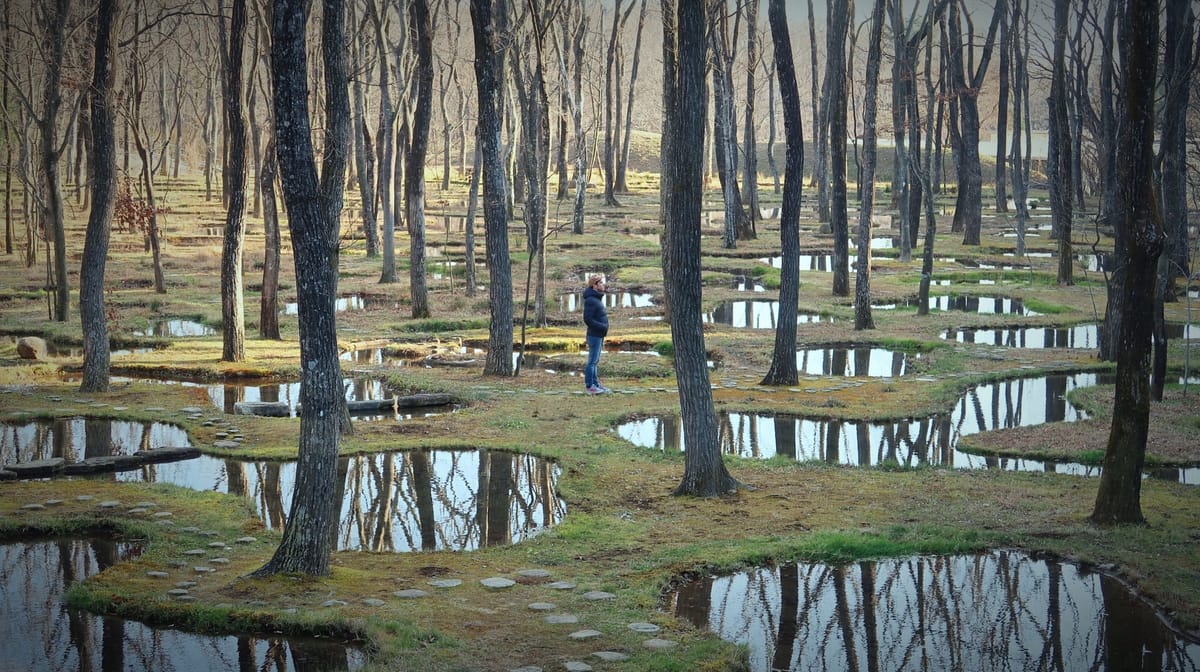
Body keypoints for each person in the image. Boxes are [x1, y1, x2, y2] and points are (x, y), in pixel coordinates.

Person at [582, 274, 611, 394]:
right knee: (592, 361)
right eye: (601, 283)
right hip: (594, 335)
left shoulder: (596, 298)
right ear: (594, 285)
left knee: (595, 361)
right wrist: (602, 327)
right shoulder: (591, 300)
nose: (603, 285)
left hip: (598, 334)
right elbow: (587, 319)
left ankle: (596, 384)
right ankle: (590, 386)